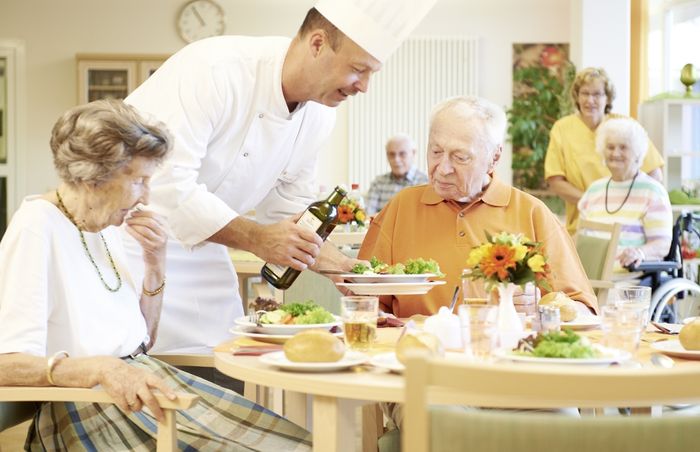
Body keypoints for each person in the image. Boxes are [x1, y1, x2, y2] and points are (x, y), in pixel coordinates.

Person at [122, 0, 437, 355]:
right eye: (358, 69)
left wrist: (347, 271)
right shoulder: (214, 69)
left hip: (208, 252)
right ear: (317, 44)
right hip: (130, 248)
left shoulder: (320, 115)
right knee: (134, 368)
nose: (364, 87)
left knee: (227, 361)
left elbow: (289, 211)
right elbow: (164, 183)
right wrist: (257, 238)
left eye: (371, 74)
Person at [0, 100, 311, 450]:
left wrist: (154, 263)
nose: (146, 197)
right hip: (93, 408)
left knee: (299, 442)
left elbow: (142, 340)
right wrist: (99, 369)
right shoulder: (36, 226)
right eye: (139, 181)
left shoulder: (105, 225)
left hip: (139, 384)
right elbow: (7, 366)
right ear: (94, 177)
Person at [359, 95, 597, 318]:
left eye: (460, 157)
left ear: (494, 158)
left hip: (499, 357)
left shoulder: (532, 214)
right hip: (417, 355)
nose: (442, 168)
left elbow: (583, 310)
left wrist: (540, 307)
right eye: (436, 151)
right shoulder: (401, 208)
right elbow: (363, 299)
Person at [544, 67, 664, 234]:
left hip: (627, 226)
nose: (590, 100)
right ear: (577, 97)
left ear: (607, 98)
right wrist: (596, 202)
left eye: (597, 94)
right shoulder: (562, 128)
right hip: (581, 224)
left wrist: (628, 204)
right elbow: (555, 181)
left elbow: (654, 173)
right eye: (584, 93)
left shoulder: (625, 126)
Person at [578, 117, 672, 270]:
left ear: (637, 153)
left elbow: (662, 245)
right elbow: (581, 239)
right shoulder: (594, 191)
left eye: (623, 147)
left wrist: (639, 252)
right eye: (610, 147)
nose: (616, 153)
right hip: (588, 276)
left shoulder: (653, 192)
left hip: (628, 278)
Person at [366, 133, 429, 215]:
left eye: (402, 154)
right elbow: (369, 215)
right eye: (392, 154)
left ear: (413, 153)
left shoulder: (425, 182)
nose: (396, 160)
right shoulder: (378, 183)